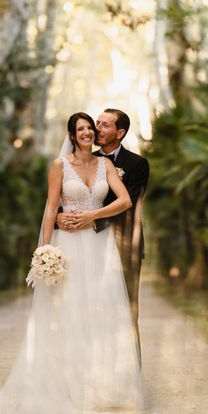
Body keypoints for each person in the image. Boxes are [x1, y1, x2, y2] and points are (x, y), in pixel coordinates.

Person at [0, 112, 144, 414]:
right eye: (80, 129)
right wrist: (44, 250)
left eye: (89, 128)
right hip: (67, 246)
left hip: (98, 248)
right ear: (71, 135)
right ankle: (69, 387)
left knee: (99, 314)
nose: (87, 132)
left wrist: (91, 216)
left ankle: (101, 389)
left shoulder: (106, 165)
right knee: (67, 313)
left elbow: (124, 201)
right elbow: (49, 207)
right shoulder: (60, 166)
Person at [58, 109, 149, 365]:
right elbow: (61, 200)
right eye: (96, 123)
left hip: (124, 245)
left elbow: (130, 202)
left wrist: (92, 217)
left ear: (119, 133)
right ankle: (90, 369)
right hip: (87, 245)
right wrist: (59, 218)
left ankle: (130, 375)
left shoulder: (137, 164)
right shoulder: (85, 158)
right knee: (88, 310)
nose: (96, 129)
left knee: (127, 311)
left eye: (104, 125)